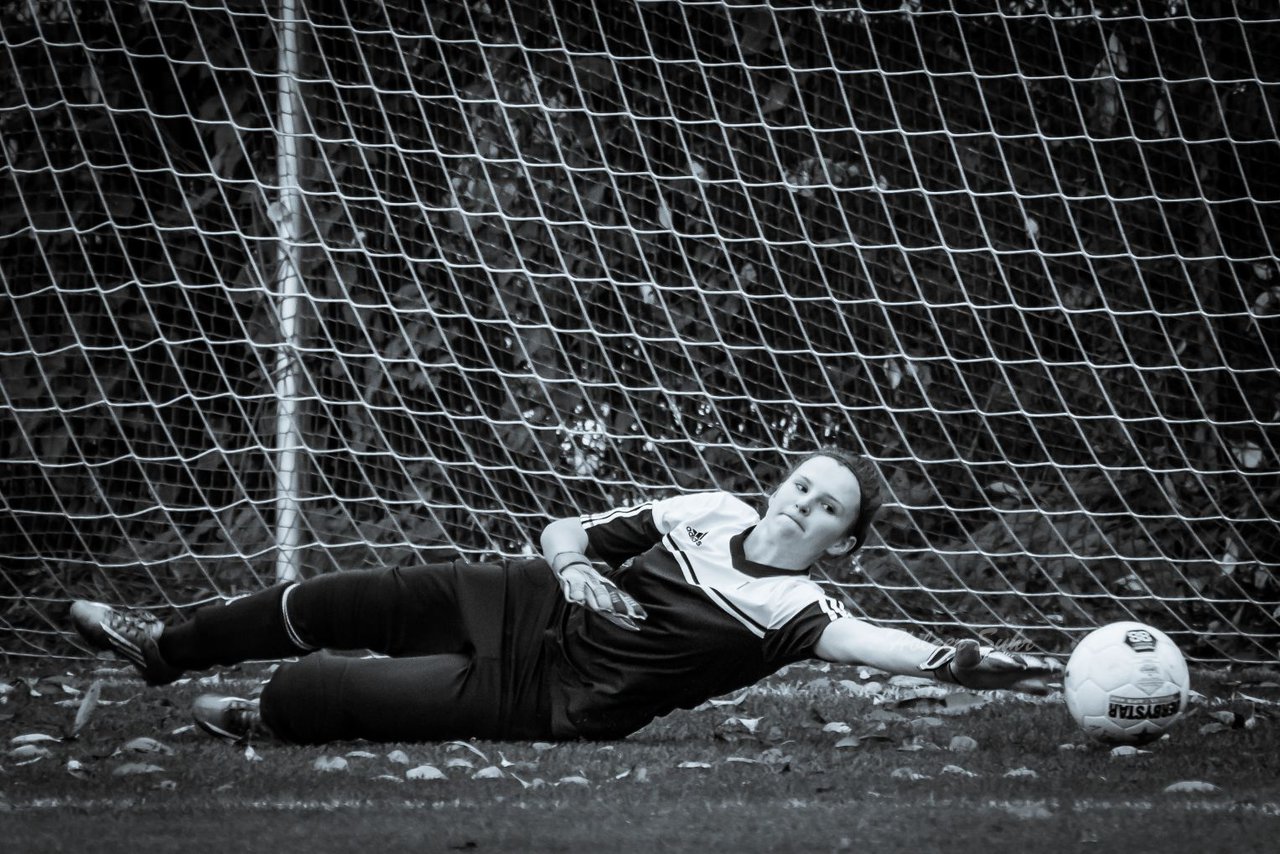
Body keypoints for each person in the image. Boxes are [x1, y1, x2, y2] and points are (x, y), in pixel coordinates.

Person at [69, 448, 1060, 744]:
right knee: (330, 598)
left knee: (323, 692)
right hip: (523, 597)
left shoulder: (798, 615)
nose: (803, 503)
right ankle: (163, 645)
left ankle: (260, 711)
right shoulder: (707, 509)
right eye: (803, 483)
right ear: (780, 485)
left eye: (827, 507)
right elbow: (565, 531)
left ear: (840, 542)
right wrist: (577, 565)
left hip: (550, 698)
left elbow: (909, 650)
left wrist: (1007, 667)